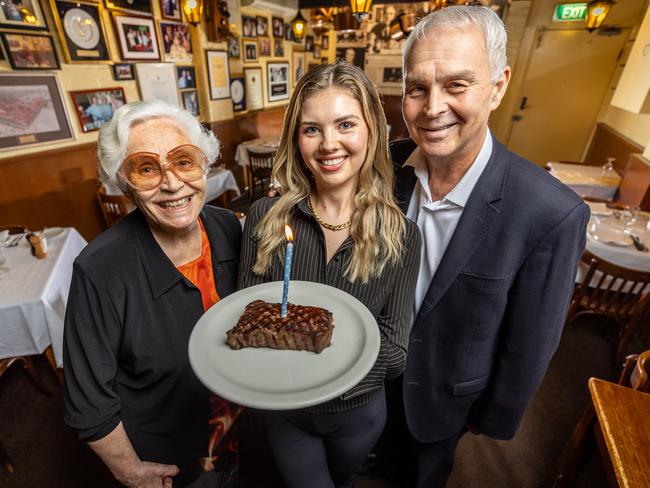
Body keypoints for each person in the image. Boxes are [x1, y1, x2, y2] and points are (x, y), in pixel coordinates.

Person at [377, 6, 590, 487]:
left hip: (445, 399)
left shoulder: (550, 213)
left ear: (498, 86)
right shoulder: (384, 168)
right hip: (371, 381)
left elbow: (531, 343)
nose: (432, 108)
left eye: (457, 85)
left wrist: (493, 417)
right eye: (417, 88)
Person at [239, 62, 421, 488]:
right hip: (287, 414)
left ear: (372, 130)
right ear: (296, 139)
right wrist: (333, 343)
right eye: (312, 129)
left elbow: (395, 354)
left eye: (345, 124)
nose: (329, 144)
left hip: (359, 415)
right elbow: (247, 325)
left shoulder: (401, 236)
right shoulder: (264, 219)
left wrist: (304, 335)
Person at [63, 100, 242, 488]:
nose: (173, 183)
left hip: (243, 432)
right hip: (175, 462)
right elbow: (88, 403)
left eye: (184, 161)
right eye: (146, 168)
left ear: (205, 165)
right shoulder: (99, 271)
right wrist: (132, 472)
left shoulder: (230, 227)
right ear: (123, 182)